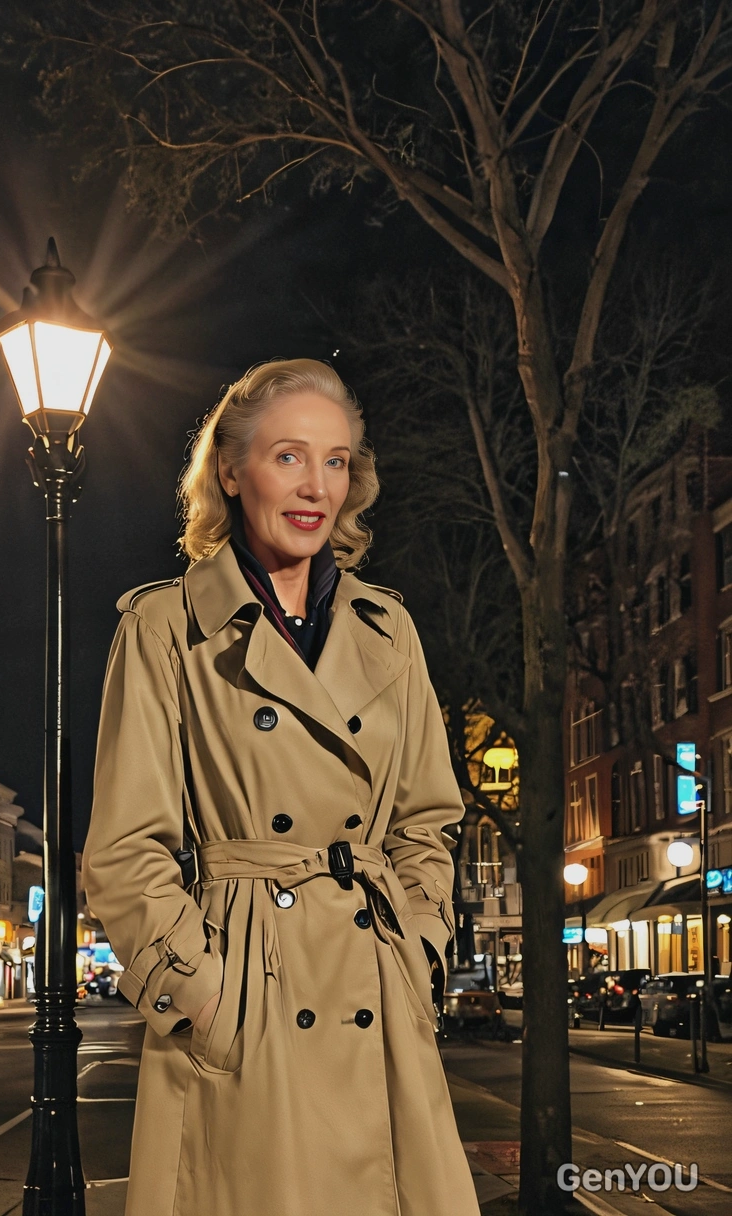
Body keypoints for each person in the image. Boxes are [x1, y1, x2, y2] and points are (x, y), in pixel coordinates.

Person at [82, 358, 481, 1216]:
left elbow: (427, 820)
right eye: (289, 456)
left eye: (335, 461)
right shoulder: (166, 629)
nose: (316, 487)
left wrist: (416, 951)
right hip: (246, 999)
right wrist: (204, 994)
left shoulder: (389, 628)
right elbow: (125, 849)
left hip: (374, 989)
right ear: (231, 469)